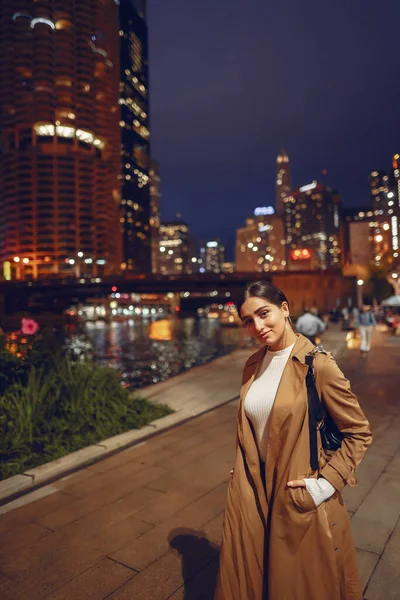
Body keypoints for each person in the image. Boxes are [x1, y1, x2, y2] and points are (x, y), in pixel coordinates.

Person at [216, 281, 372, 600]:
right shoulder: (252, 365)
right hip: (255, 493)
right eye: (248, 321)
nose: (257, 326)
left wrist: (326, 484)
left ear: (284, 309)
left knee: (300, 584)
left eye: (264, 314)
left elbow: (359, 432)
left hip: (297, 494)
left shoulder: (318, 365)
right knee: (252, 578)